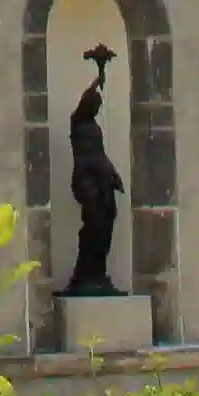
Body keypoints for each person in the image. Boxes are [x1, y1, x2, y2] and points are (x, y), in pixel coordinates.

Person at [65, 44, 124, 293]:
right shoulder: (78, 122)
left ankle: (98, 272)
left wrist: (113, 175)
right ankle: (85, 274)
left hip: (100, 180)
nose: (98, 109)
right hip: (87, 181)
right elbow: (91, 157)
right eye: (95, 105)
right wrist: (98, 76)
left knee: (107, 220)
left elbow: (100, 154)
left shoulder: (92, 126)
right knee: (94, 225)